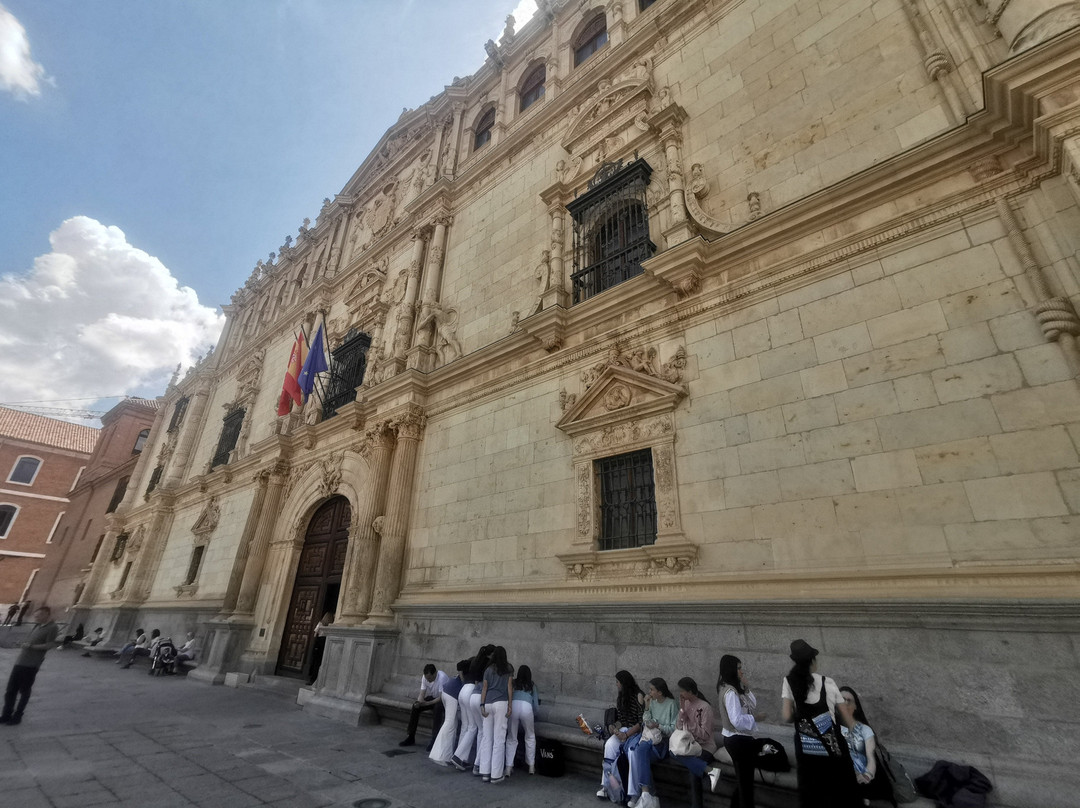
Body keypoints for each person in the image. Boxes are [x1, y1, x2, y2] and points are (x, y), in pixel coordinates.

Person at [781, 639, 860, 808]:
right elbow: (848, 720)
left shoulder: (789, 681)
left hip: (806, 749)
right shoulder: (828, 682)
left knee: (813, 795)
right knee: (838, 791)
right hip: (832, 747)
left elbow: (787, 716)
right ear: (812, 661)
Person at [0, 606, 59, 725]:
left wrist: (31, 647)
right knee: (10, 690)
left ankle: (17, 716)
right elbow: (31, 641)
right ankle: (6, 715)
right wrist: (22, 644)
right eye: (35, 616)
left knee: (24, 691)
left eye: (38, 616)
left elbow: (50, 645)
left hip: (31, 664)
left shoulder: (52, 627)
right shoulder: (37, 625)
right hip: (20, 662)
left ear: (46, 614)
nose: (36, 618)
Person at [668, 676, 722, 808]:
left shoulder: (705, 707)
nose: (680, 694)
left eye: (682, 691)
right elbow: (678, 728)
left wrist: (690, 724)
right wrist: (682, 711)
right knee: (672, 752)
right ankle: (708, 770)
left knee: (694, 772)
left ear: (690, 691)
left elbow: (705, 735)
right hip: (689, 745)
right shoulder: (685, 705)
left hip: (705, 747)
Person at [839, 686, 894, 807]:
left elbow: (871, 757)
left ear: (855, 706)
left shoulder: (865, 730)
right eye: (842, 700)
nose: (846, 703)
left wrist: (867, 776)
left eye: (849, 700)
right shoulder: (830, 728)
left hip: (862, 779)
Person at [628, 677, 678, 808]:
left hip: (663, 743)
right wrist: (647, 706)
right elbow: (645, 721)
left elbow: (673, 729)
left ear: (660, 692)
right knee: (641, 754)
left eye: (651, 689)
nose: (649, 692)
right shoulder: (653, 702)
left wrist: (658, 726)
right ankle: (650, 796)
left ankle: (646, 795)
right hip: (650, 740)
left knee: (641, 750)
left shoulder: (672, 704)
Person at [717, 655, 759, 808]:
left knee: (745, 782)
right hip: (738, 740)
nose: (742, 671)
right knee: (745, 784)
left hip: (740, 740)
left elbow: (752, 704)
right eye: (739, 668)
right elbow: (736, 720)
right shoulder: (730, 692)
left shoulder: (735, 688)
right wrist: (754, 719)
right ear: (731, 670)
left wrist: (746, 687)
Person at [597, 670, 644, 800]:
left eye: (618, 682)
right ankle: (607, 786)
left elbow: (641, 722)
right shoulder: (621, 696)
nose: (617, 685)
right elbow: (622, 719)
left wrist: (626, 734)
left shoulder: (638, 696)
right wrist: (614, 727)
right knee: (610, 745)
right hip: (624, 729)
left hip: (636, 732)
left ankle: (630, 791)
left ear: (624, 683)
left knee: (630, 752)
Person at [452, 645, 493, 773]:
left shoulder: (474, 659)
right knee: (474, 727)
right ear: (491, 654)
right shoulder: (486, 663)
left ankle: (462, 759)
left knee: (466, 726)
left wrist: (463, 679)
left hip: (463, 690)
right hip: (472, 692)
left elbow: (459, 664)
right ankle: (459, 757)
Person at [478, 645, 513, 783]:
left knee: (487, 738)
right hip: (501, 703)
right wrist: (510, 705)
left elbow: (484, 688)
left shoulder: (488, 670)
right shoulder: (509, 669)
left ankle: (485, 772)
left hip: (488, 703)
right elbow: (510, 688)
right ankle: (496, 774)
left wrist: (482, 705)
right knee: (499, 739)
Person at [430, 659, 469, 766]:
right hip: (452, 695)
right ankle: (439, 754)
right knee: (450, 724)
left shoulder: (461, 673)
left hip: (446, 692)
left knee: (452, 725)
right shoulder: (466, 674)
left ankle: (447, 755)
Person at [400, 663, 449, 748]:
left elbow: (441, 698)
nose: (428, 680)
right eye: (427, 678)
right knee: (415, 707)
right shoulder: (425, 677)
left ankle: (434, 739)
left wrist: (427, 703)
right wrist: (419, 702)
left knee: (437, 708)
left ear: (435, 673)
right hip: (433, 698)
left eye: (430, 678)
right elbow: (422, 693)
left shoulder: (442, 678)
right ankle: (410, 736)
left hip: (443, 700)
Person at [505, 664, 539, 775]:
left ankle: (508, 767)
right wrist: (533, 715)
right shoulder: (532, 685)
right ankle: (531, 766)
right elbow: (536, 706)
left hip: (513, 706)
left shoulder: (513, 683)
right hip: (527, 708)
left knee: (511, 737)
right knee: (530, 736)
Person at [308, 611, 332, 685]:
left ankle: (312, 678)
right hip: (326, 642)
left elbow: (315, 633)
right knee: (322, 661)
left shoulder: (320, 623)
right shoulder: (331, 624)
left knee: (316, 661)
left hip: (319, 642)